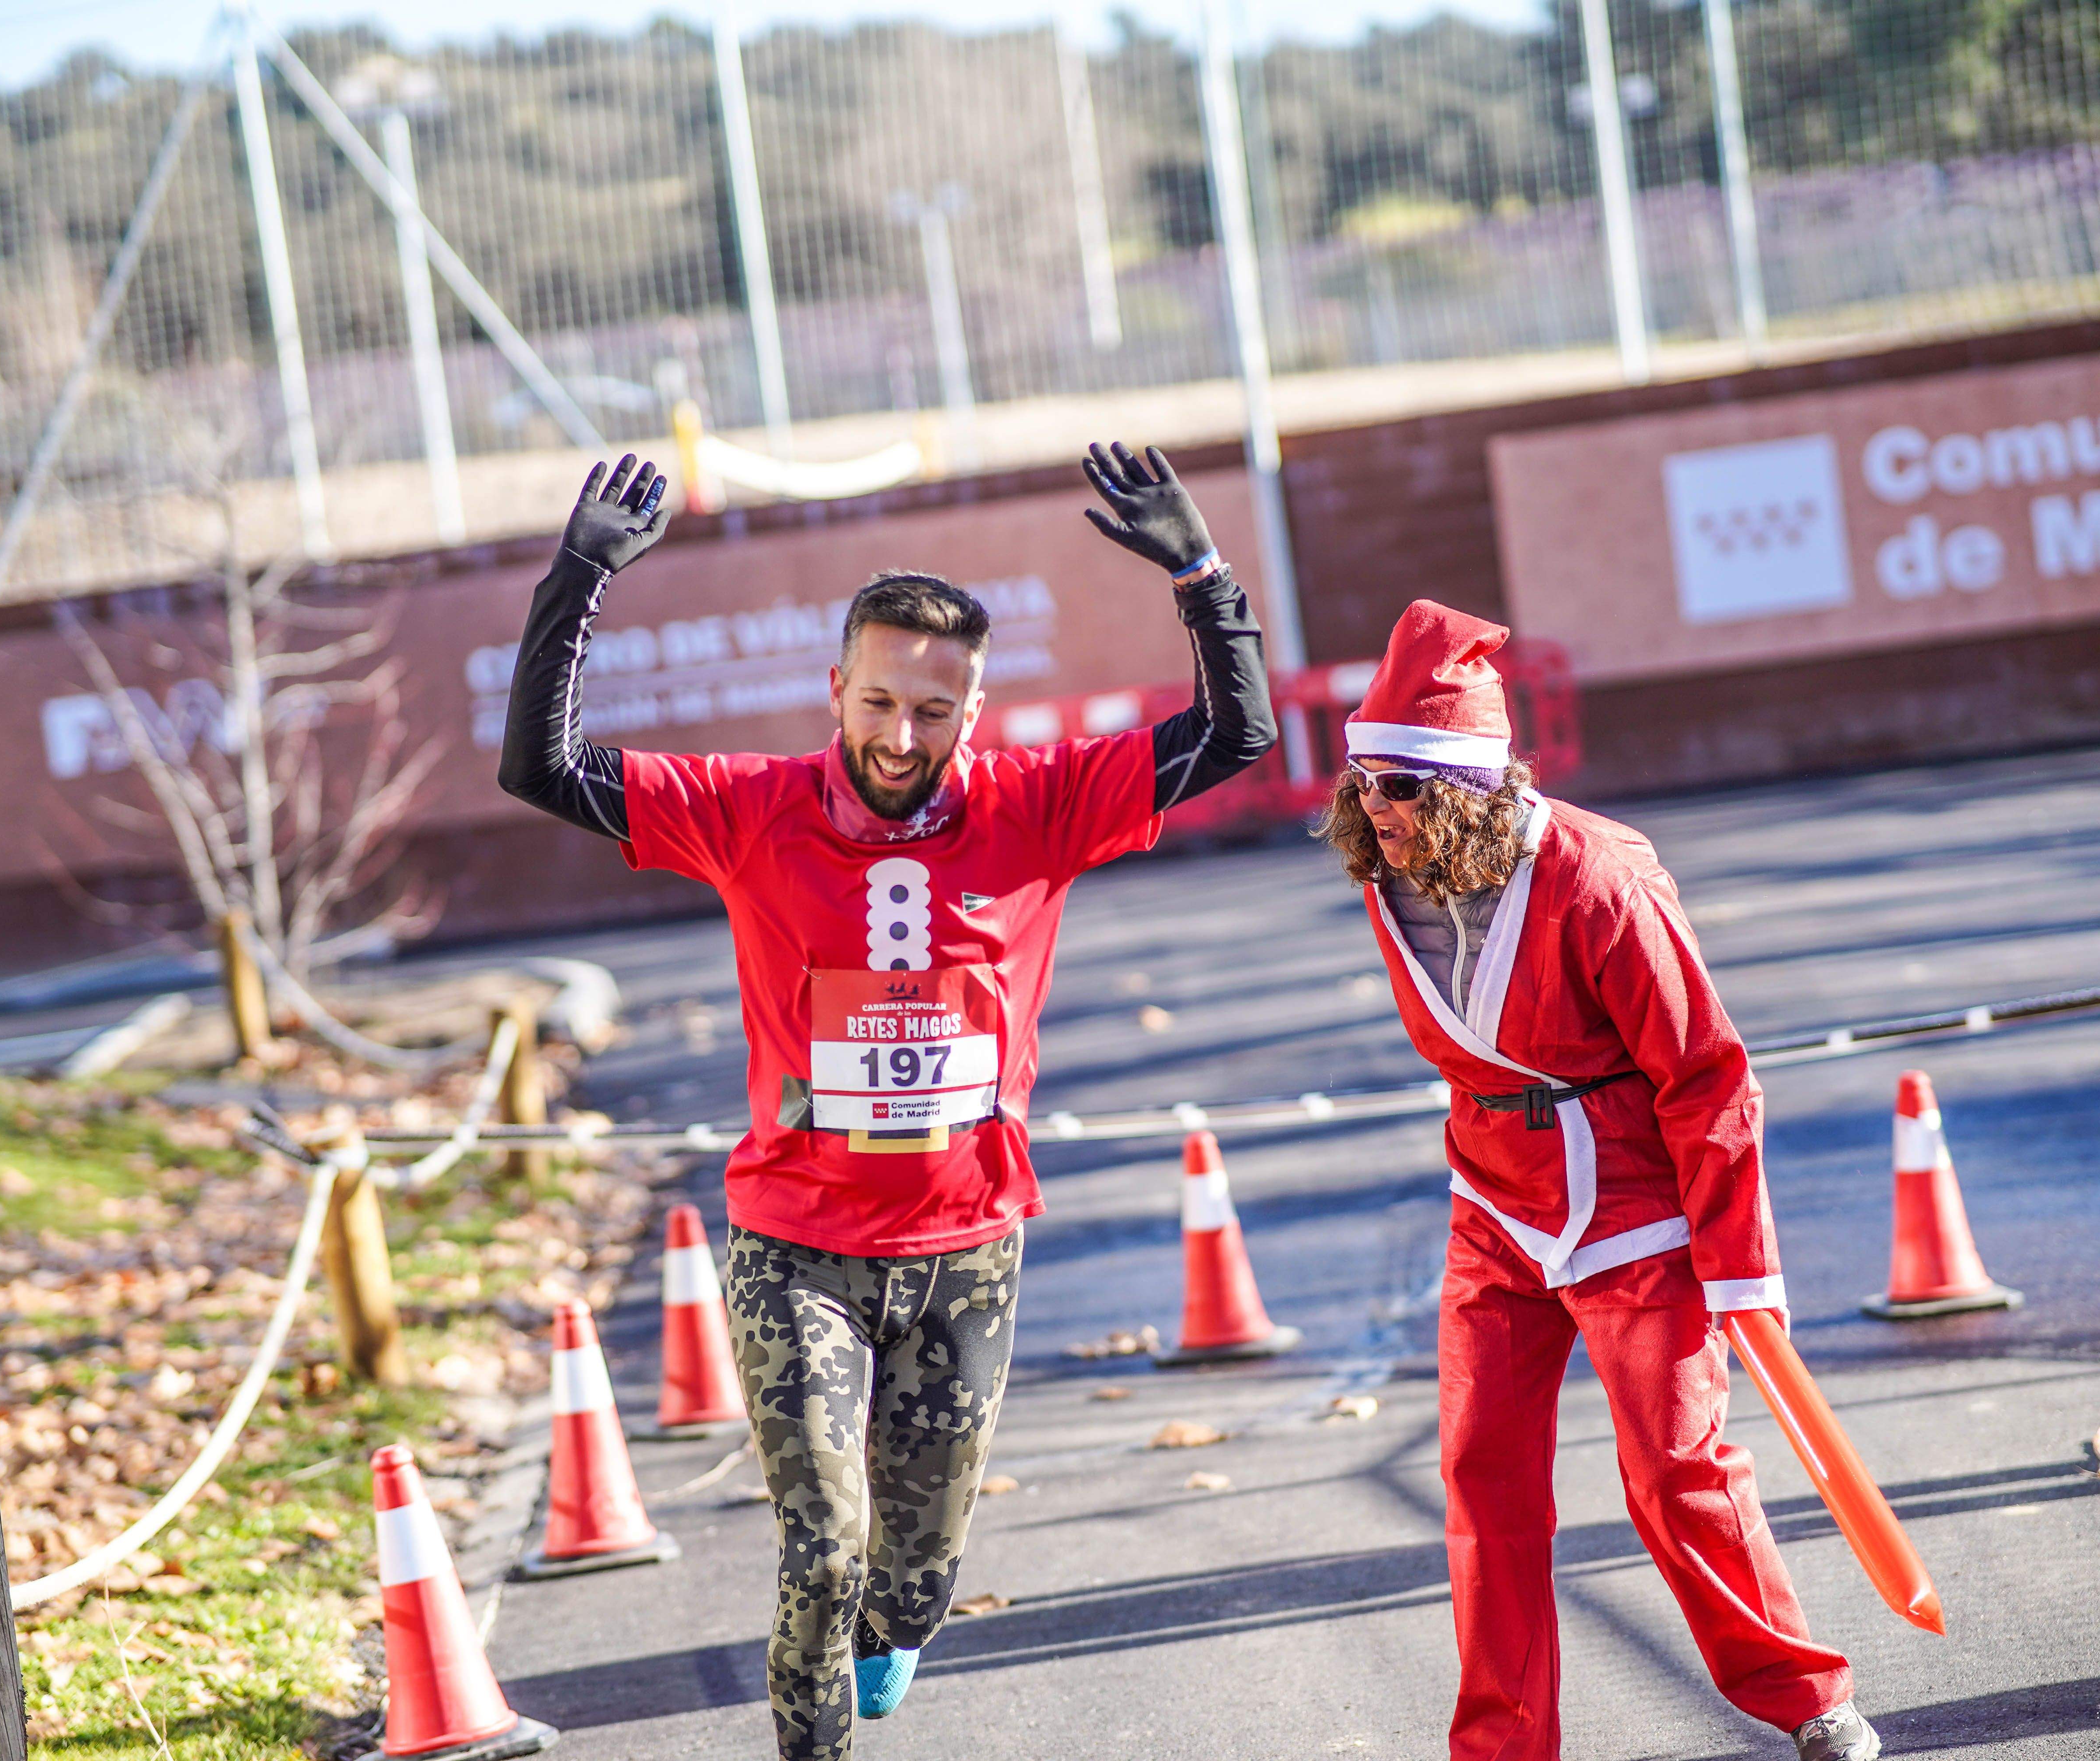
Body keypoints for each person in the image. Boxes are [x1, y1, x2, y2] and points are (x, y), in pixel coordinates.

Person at [498, 444, 1274, 1761]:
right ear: (838, 692)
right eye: (878, 704)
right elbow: (543, 767)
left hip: (966, 1251)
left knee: (911, 1574)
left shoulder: (1041, 805)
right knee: (825, 1543)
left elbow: (1237, 735)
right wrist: (579, 579)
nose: (900, 738)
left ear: (973, 712)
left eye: (933, 711)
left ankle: (897, 1628)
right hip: (794, 1245)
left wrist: (1200, 574)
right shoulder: (752, 811)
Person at [1319, 600, 1882, 1761]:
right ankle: (1501, 1748)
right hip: (1491, 1203)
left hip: (1630, 1206)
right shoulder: (1388, 867)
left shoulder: (1594, 879)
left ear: (1472, 788)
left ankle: (1806, 1701)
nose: (1378, 808)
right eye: (1365, 781)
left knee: (1678, 1473)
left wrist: (1735, 1271)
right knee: (1482, 1486)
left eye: (1406, 787)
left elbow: (1709, 1073)